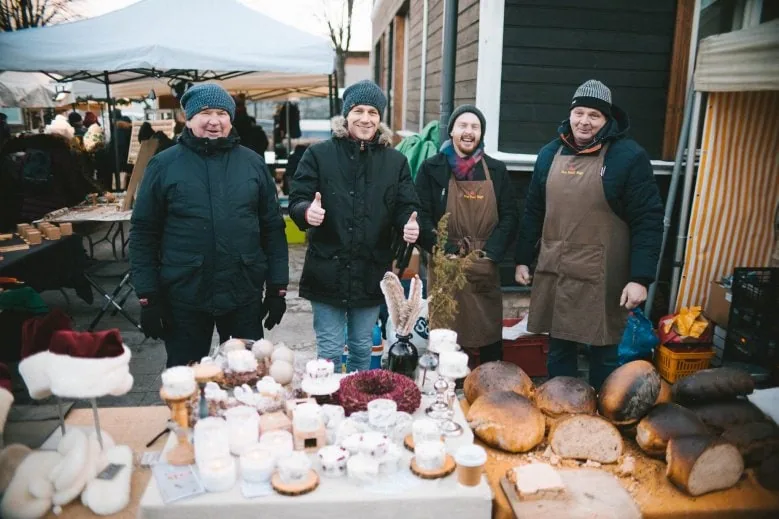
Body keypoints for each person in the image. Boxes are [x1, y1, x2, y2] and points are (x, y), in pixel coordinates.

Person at [514, 79, 663, 391]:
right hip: (557, 268)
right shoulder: (549, 154)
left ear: (607, 120)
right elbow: (533, 212)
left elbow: (648, 220)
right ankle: (561, 407)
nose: (584, 121)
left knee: (605, 353)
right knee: (559, 350)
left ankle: (603, 415)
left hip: (605, 273)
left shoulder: (628, 157)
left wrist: (641, 278)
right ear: (570, 114)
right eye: (579, 112)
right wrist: (522, 259)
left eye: (594, 115)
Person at [129, 83, 289, 367]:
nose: (214, 120)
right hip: (185, 293)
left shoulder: (252, 164)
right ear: (188, 119)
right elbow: (144, 232)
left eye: (221, 113)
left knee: (247, 374)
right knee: (187, 378)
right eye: (205, 112)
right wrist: (147, 295)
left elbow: (272, 229)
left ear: (231, 118)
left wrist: (277, 288)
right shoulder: (163, 165)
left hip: (242, 290)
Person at [289, 80, 420, 372]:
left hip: (370, 270)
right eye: (358, 110)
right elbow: (297, 198)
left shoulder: (395, 162)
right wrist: (305, 211)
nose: (365, 118)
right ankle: (330, 406)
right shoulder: (318, 155)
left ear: (379, 117)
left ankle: (359, 407)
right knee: (331, 352)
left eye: (372, 112)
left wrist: (408, 225)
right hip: (327, 269)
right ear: (346, 115)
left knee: (363, 348)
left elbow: (405, 207)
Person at [415, 105, 517, 365]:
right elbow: (420, 216)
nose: (468, 132)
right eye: (463, 125)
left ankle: (487, 388)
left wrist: (491, 253)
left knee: (489, 338)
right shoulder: (431, 169)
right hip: (446, 265)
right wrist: (445, 247)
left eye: (475, 126)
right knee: (445, 340)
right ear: (451, 131)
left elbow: (510, 217)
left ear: (481, 133)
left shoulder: (496, 170)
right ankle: (445, 395)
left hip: (484, 265)